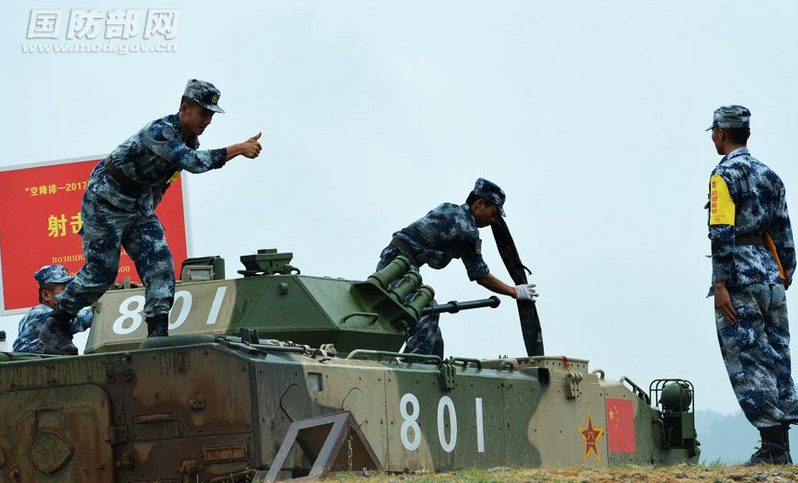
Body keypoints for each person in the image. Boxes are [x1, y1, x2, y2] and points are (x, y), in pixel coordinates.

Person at [40, 79, 263, 355]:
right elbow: (194, 164)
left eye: (211, 115)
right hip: (106, 200)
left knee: (160, 263)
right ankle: (57, 324)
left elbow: (165, 178)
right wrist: (238, 149)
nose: (207, 120)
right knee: (102, 272)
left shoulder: (189, 139)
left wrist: (147, 207)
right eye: (203, 113)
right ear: (184, 108)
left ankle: (157, 334)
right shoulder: (161, 132)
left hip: (138, 206)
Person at [706, 105, 797, 465]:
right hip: (771, 277)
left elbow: (721, 231)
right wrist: (781, 277)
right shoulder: (770, 175)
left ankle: (773, 448)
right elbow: (785, 235)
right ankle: (782, 448)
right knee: (777, 358)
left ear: (721, 133)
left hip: (739, 277)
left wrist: (721, 283)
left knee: (748, 359)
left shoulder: (723, 176)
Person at [377, 178, 537, 358]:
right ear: (479, 204)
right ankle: (411, 370)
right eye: (493, 213)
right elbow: (481, 276)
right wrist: (514, 292)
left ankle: (432, 371)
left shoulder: (450, 208)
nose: (493, 220)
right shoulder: (466, 228)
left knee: (434, 335)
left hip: (396, 261)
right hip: (398, 265)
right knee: (427, 310)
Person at [13, 265, 92, 354]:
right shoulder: (40, 314)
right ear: (46, 295)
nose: (70, 293)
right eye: (64, 289)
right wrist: (99, 306)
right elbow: (78, 320)